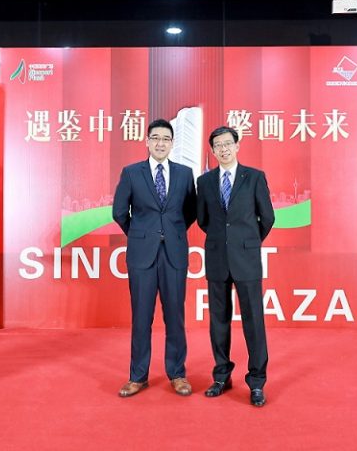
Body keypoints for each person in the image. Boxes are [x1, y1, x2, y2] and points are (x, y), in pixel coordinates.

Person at [112, 118, 197, 398]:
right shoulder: (131, 173)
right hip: (142, 255)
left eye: (166, 139)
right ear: (147, 141)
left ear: (172, 143)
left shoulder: (185, 174)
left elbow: (191, 212)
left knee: (175, 317)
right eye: (156, 138)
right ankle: (138, 376)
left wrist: (172, 232)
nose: (161, 143)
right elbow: (119, 212)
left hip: (174, 254)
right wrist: (140, 234)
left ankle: (178, 373)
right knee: (141, 317)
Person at [196, 126, 275, 407]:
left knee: (254, 321)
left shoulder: (254, 177)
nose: (224, 149)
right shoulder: (204, 181)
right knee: (218, 321)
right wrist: (225, 241)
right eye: (218, 145)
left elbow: (267, 217)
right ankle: (221, 376)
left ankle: (257, 381)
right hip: (217, 258)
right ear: (213, 150)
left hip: (246, 259)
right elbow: (203, 220)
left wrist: (247, 242)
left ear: (237, 146)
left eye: (228, 143)